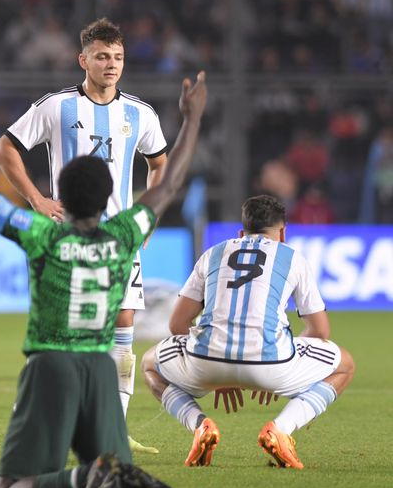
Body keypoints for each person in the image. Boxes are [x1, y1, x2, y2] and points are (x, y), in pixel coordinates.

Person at [0, 69, 205, 488]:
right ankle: (102, 473)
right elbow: (167, 184)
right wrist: (193, 119)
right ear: (108, 194)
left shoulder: (41, 236)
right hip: (100, 370)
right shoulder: (124, 237)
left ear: (62, 194)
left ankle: (82, 478)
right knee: (113, 477)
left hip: (52, 367)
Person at [0, 18, 168, 452]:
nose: (111, 65)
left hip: (118, 238)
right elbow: (4, 149)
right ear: (83, 59)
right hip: (67, 236)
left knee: (124, 321)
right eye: (103, 56)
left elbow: (161, 164)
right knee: (61, 327)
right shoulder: (57, 107)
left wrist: (150, 214)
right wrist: (35, 198)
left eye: (118, 57)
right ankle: (42, 412)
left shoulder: (140, 114)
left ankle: (115, 423)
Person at [141, 195, 355, 469]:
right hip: (273, 364)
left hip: (206, 362)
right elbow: (320, 330)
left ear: (241, 233)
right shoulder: (292, 258)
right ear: (283, 233)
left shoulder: (214, 252)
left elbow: (177, 324)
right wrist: (280, 357)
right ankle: (281, 429)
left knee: (150, 365)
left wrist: (221, 365)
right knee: (345, 365)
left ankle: (199, 425)